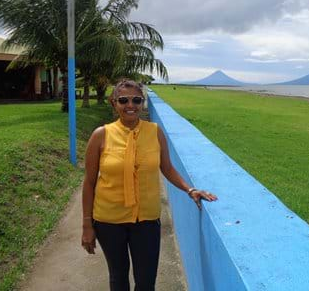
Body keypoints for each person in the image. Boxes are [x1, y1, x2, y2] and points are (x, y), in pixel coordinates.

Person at [82, 79, 217, 291]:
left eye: (136, 100)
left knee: (146, 283)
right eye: (123, 100)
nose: (130, 105)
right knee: (118, 278)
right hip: (109, 221)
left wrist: (190, 189)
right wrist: (87, 225)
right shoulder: (101, 135)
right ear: (113, 103)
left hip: (146, 220)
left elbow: (167, 168)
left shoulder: (154, 132)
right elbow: (89, 182)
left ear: (142, 102)